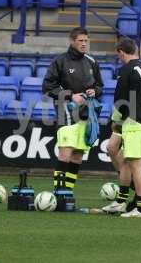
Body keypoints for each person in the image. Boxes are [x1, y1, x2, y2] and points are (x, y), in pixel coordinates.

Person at [102, 38, 141, 218]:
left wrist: (116, 121)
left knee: (136, 166)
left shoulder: (125, 70)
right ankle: (121, 201)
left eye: (118, 54)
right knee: (128, 164)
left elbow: (119, 100)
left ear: (121, 52)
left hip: (134, 123)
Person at [42, 27, 104, 196]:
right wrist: (70, 96)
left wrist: (95, 92)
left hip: (86, 114)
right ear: (72, 41)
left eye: (86, 40)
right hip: (66, 112)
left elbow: (100, 87)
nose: (84, 44)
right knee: (65, 153)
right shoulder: (60, 61)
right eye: (81, 41)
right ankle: (58, 193)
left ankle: (67, 193)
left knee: (77, 155)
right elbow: (47, 87)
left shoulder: (92, 61)